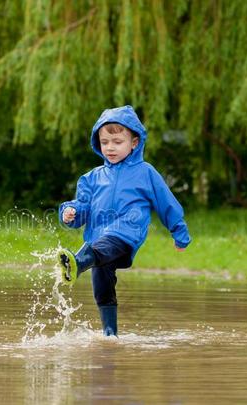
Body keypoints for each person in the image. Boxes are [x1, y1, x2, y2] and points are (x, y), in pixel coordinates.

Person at [58, 105, 191, 336]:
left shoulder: (145, 172)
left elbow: (166, 202)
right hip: (98, 240)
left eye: (117, 142)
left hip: (126, 233)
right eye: (104, 141)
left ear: (134, 143)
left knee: (104, 245)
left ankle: (77, 264)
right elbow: (81, 208)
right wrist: (69, 213)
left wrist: (179, 232)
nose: (110, 147)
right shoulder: (91, 178)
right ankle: (110, 335)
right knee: (102, 285)